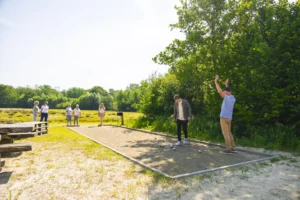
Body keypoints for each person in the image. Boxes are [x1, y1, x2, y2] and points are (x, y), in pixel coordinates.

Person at [214, 75, 236, 154]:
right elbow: (228, 90)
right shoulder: (233, 98)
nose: (223, 92)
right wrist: (226, 84)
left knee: (225, 133)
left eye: (224, 91)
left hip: (223, 117)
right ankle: (233, 147)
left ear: (226, 92)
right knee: (229, 133)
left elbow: (220, 91)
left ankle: (228, 148)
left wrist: (216, 82)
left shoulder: (226, 97)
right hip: (229, 118)